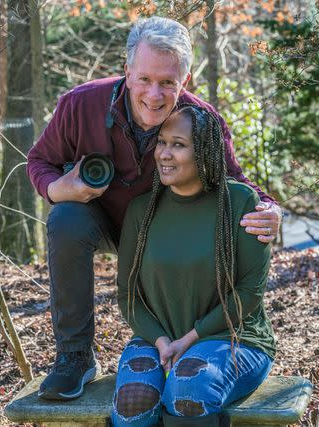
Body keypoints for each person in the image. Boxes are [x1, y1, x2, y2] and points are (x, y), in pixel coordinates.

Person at [27, 16, 282, 401]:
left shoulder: (202, 121)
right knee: (65, 217)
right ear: (127, 71)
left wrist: (269, 207)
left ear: (187, 80)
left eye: (167, 82)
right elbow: (39, 161)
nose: (154, 94)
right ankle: (75, 356)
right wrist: (57, 187)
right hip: (98, 219)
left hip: (160, 235)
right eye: (145, 78)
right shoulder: (80, 104)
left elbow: (236, 183)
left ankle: (189, 340)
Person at [113, 104, 275, 426]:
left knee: (189, 387)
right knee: (134, 401)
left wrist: (188, 340)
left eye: (179, 144)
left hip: (233, 338)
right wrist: (161, 341)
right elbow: (127, 294)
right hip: (157, 338)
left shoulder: (242, 203)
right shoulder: (141, 211)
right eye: (161, 142)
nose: (164, 154)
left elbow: (249, 293)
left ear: (203, 151)